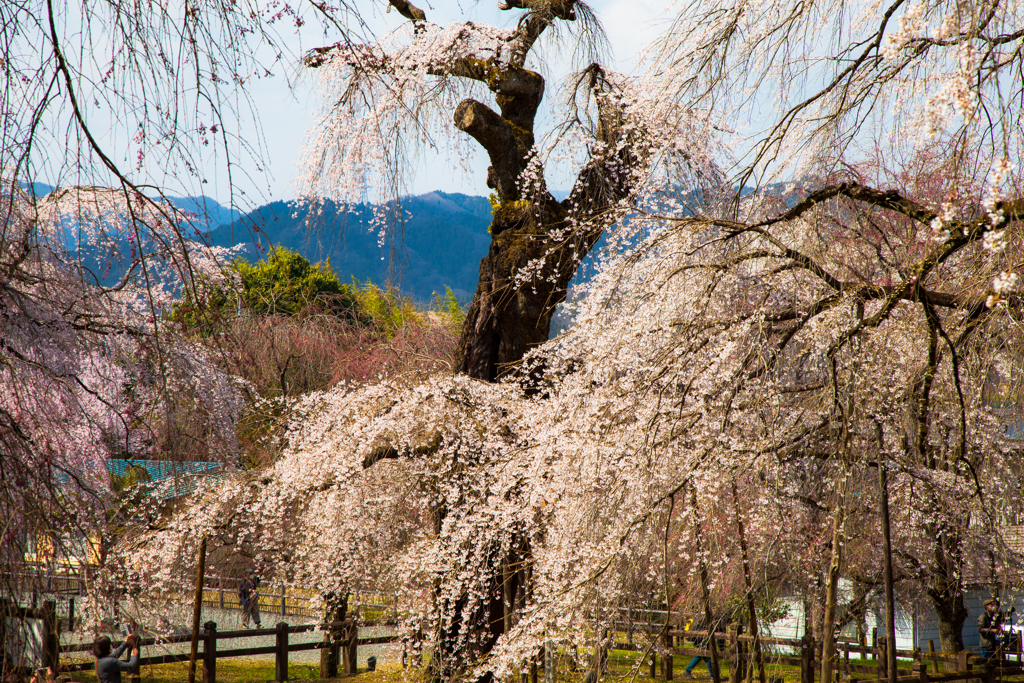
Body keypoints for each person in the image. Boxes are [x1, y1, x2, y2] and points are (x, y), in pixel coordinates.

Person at [682, 615, 721, 680]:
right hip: (701, 640)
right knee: (708, 656)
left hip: (701, 640)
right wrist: (704, 631)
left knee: (700, 656)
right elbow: (696, 629)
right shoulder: (700, 618)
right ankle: (713, 676)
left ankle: (687, 671)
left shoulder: (700, 617)